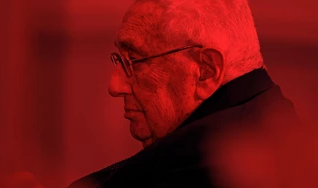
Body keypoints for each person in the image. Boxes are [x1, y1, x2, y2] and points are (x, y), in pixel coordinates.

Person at [69, 0, 309, 187]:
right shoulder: (261, 116)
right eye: (120, 60)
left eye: (133, 61)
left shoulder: (214, 160)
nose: (115, 86)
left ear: (205, 71)